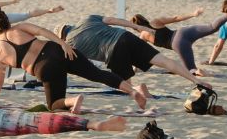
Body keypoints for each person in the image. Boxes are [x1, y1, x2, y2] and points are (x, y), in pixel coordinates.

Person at [0, 6, 145, 112]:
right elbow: (42, 31)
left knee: (54, 105)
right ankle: (132, 91)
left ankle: (74, 100)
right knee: (98, 74)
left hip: (44, 68)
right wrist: (63, 44)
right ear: (5, 19)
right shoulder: (19, 28)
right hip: (58, 50)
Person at [59, 12, 215, 100]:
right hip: (126, 36)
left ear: (62, 37)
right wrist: (137, 26)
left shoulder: (70, 44)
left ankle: (138, 88)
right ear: (69, 25)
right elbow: (114, 20)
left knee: (125, 86)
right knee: (165, 61)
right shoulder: (86, 18)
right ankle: (197, 81)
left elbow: (85, 66)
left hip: (113, 53)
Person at [131, 8, 227, 76]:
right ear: (144, 19)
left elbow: (139, 53)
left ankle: (202, 72)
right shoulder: (155, 22)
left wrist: (135, 69)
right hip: (182, 32)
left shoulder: (143, 36)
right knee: (211, 27)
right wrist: (193, 14)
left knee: (192, 70)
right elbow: (176, 18)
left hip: (178, 44)